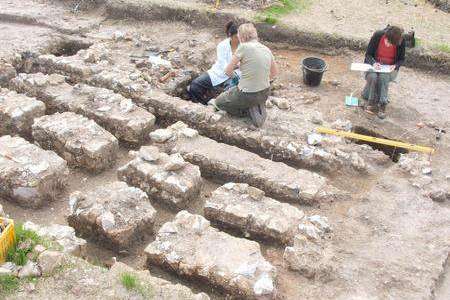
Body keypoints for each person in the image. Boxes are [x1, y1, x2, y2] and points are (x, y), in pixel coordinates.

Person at [210, 23, 277, 127]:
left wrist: (236, 79)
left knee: (219, 102)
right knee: (251, 95)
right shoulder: (266, 49)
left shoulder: (243, 47)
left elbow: (227, 71)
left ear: (241, 37)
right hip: (265, 93)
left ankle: (247, 111)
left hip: (247, 94)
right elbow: (274, 74)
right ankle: (256, 104)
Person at [187, 21, 240, 104]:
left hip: (237, 75)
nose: (239, 40)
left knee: (230, 95)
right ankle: (205, 105)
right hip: (219, 73)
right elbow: (224, 66)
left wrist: (236, 72)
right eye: (237, 37)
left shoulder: (244, 46)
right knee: (194, 86)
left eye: (241, 37)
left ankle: (220, 106)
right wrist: (235, 68)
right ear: (230, 35)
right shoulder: (222, 46)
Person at [363, 25, 405, 119]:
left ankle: (382, 104)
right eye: (388, 42)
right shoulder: (378, 35)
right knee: (373, 76)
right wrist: (374, 63)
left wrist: (395, 66)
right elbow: (368, 55)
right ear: (385, 36)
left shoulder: (400, 41)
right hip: (373, 66)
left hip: (389, 69)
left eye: (392, 44)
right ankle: (371, 101)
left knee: (383, 76)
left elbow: (401, 59)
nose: (389, 45)